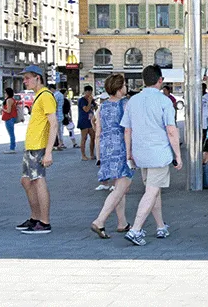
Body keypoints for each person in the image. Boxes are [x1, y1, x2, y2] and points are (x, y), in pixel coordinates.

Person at [120, 65, 182, 246]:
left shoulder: (133, 101)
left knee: (153, 189)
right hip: (158, 153)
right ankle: (136, 229)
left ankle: (160, 226)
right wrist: (178, 155)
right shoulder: (164, 101)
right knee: (152, 191)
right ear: (160, 80)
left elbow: (127, 130)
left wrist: (129, 152)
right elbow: (171, 130)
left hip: (140, 153)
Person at [16, 65, 58, 235]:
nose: (24, 81)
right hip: (32, 146)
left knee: (38, 180)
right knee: (26, 181)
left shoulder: (46, 96)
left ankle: (44, 222)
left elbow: (53, 124)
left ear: (37, 78)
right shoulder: (39, 96)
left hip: (38, 146)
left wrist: (48, 152)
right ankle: (35, 218)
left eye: (27, 78)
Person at [90, 74, 133, 238]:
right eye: (124, 85)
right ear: (119, 88)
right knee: (122, 186)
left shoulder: (103, 106)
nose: (126, 88)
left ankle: (122, 222)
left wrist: (99, 156)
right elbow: (129, 129)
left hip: (107, 148)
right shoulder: (125, 104)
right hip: (122, 146)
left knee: (118, 185)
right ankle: (100, 221)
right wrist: (131, 152)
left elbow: (98, 132)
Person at [78, 85, 96, 160]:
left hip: (91, 121)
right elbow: (86, 109)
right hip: (83, 121)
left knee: (93, 137)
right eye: (88, 92)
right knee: (84, 138)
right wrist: (89, 102)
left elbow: (95, 108)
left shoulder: (92, 99)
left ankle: (92, 154)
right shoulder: (81, 100)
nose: (89, 93)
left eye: (90, 92)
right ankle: (83, 155)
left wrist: (94, 104)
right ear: (85, 92)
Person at [1, 87, 18, 153]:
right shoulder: (12, 99)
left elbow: (8, 110)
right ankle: (12, 147)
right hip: (11, 117)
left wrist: (2, 109)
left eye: (5, 92)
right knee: (11, 133)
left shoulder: (9, 100)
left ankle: (12, 148)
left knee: (11, 134)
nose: (4, 93)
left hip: (9, 118)